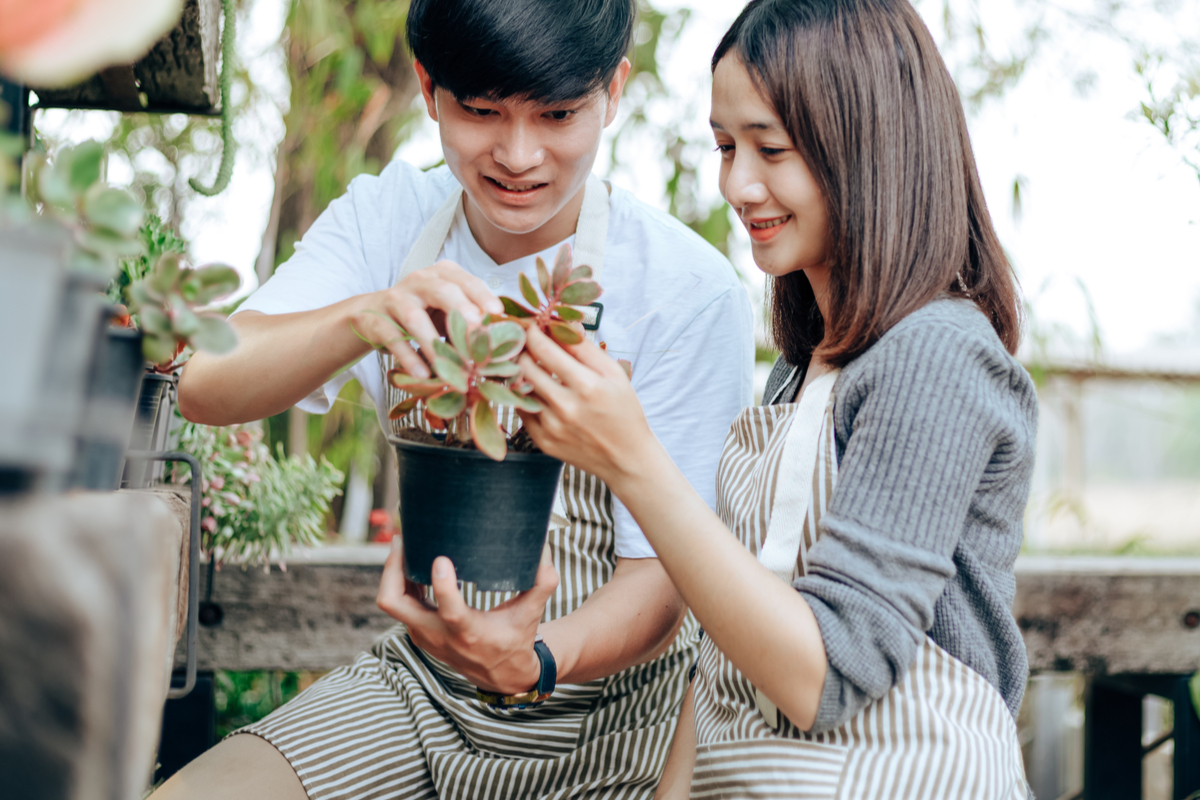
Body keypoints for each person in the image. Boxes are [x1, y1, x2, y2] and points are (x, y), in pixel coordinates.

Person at [161, 1, 754, 798]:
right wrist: (364, 316)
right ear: (428, 87)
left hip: (614, 721)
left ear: (613, 92)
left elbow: (658, 586)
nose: (517, 154)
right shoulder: (389, 217)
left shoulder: (688, 289)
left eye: (558, 114)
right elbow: (203, 383)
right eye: (480, 111)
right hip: (420, 695)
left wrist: (529, 658)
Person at [500, 0, 1039, 797]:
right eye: (724, 146)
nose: (736, 184)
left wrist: (632, 458)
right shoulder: (801, 369)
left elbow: (826, 675)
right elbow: (721, 647)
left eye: (771, 149)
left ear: (871, 146)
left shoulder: (937, 355)